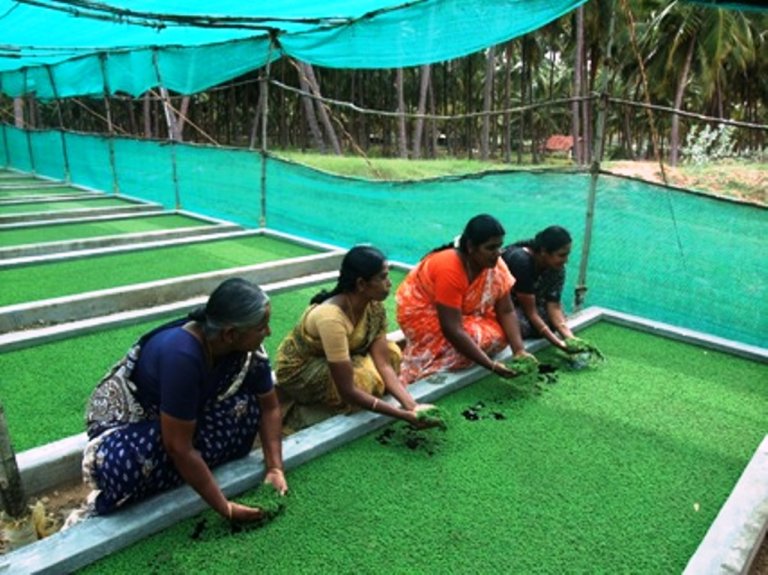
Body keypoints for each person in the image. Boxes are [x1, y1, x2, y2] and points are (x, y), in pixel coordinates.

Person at [82, 278, 287, 524]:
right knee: (132, 463)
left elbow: (269, 406)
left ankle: (188, 468)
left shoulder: (246, 351)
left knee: (247, 408)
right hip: (133, 424)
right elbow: (177, 445)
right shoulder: (182, 354)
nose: (268, 332)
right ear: (230, 334)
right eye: (261, 327)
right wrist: (226, 508)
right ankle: (186, 468)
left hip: (181, 420)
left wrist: (275, 468)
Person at [275, 245, 439, 431]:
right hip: (303, 370)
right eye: (382, 277)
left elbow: (384, 364)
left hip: (339, 360)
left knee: (392, 352)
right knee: (363, 379)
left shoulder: (374, 307)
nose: (389, 283)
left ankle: (349, 400)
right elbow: (348, 389)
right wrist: (403, 415)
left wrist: (413, 406)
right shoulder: (331, 318)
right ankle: (305, 413)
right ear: (361, 284)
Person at [396, 214, 533, 384]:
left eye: (499, 247)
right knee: (472, 340)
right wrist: (490, 365)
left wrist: (519, 350)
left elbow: (506, 310)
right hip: (424, 314)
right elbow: (451, 328)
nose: (497, 254)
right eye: (490, 248)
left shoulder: (494, 265)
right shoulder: (450, 267)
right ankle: (423, 364)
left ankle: (464, 352)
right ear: (470, 247)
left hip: (460, 316)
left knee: (501, 335)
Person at [501, 225, 575, 351]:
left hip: (529, 303)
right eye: (561, 255)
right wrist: (558, 343)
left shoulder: (557, 269)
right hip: (505, 305)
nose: (566, 260)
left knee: (558, 319)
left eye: (567, 255)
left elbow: (554, 306)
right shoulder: (521, 261)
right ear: (543, 251)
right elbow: (531, 312)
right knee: (522, 326)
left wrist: (571, 339)